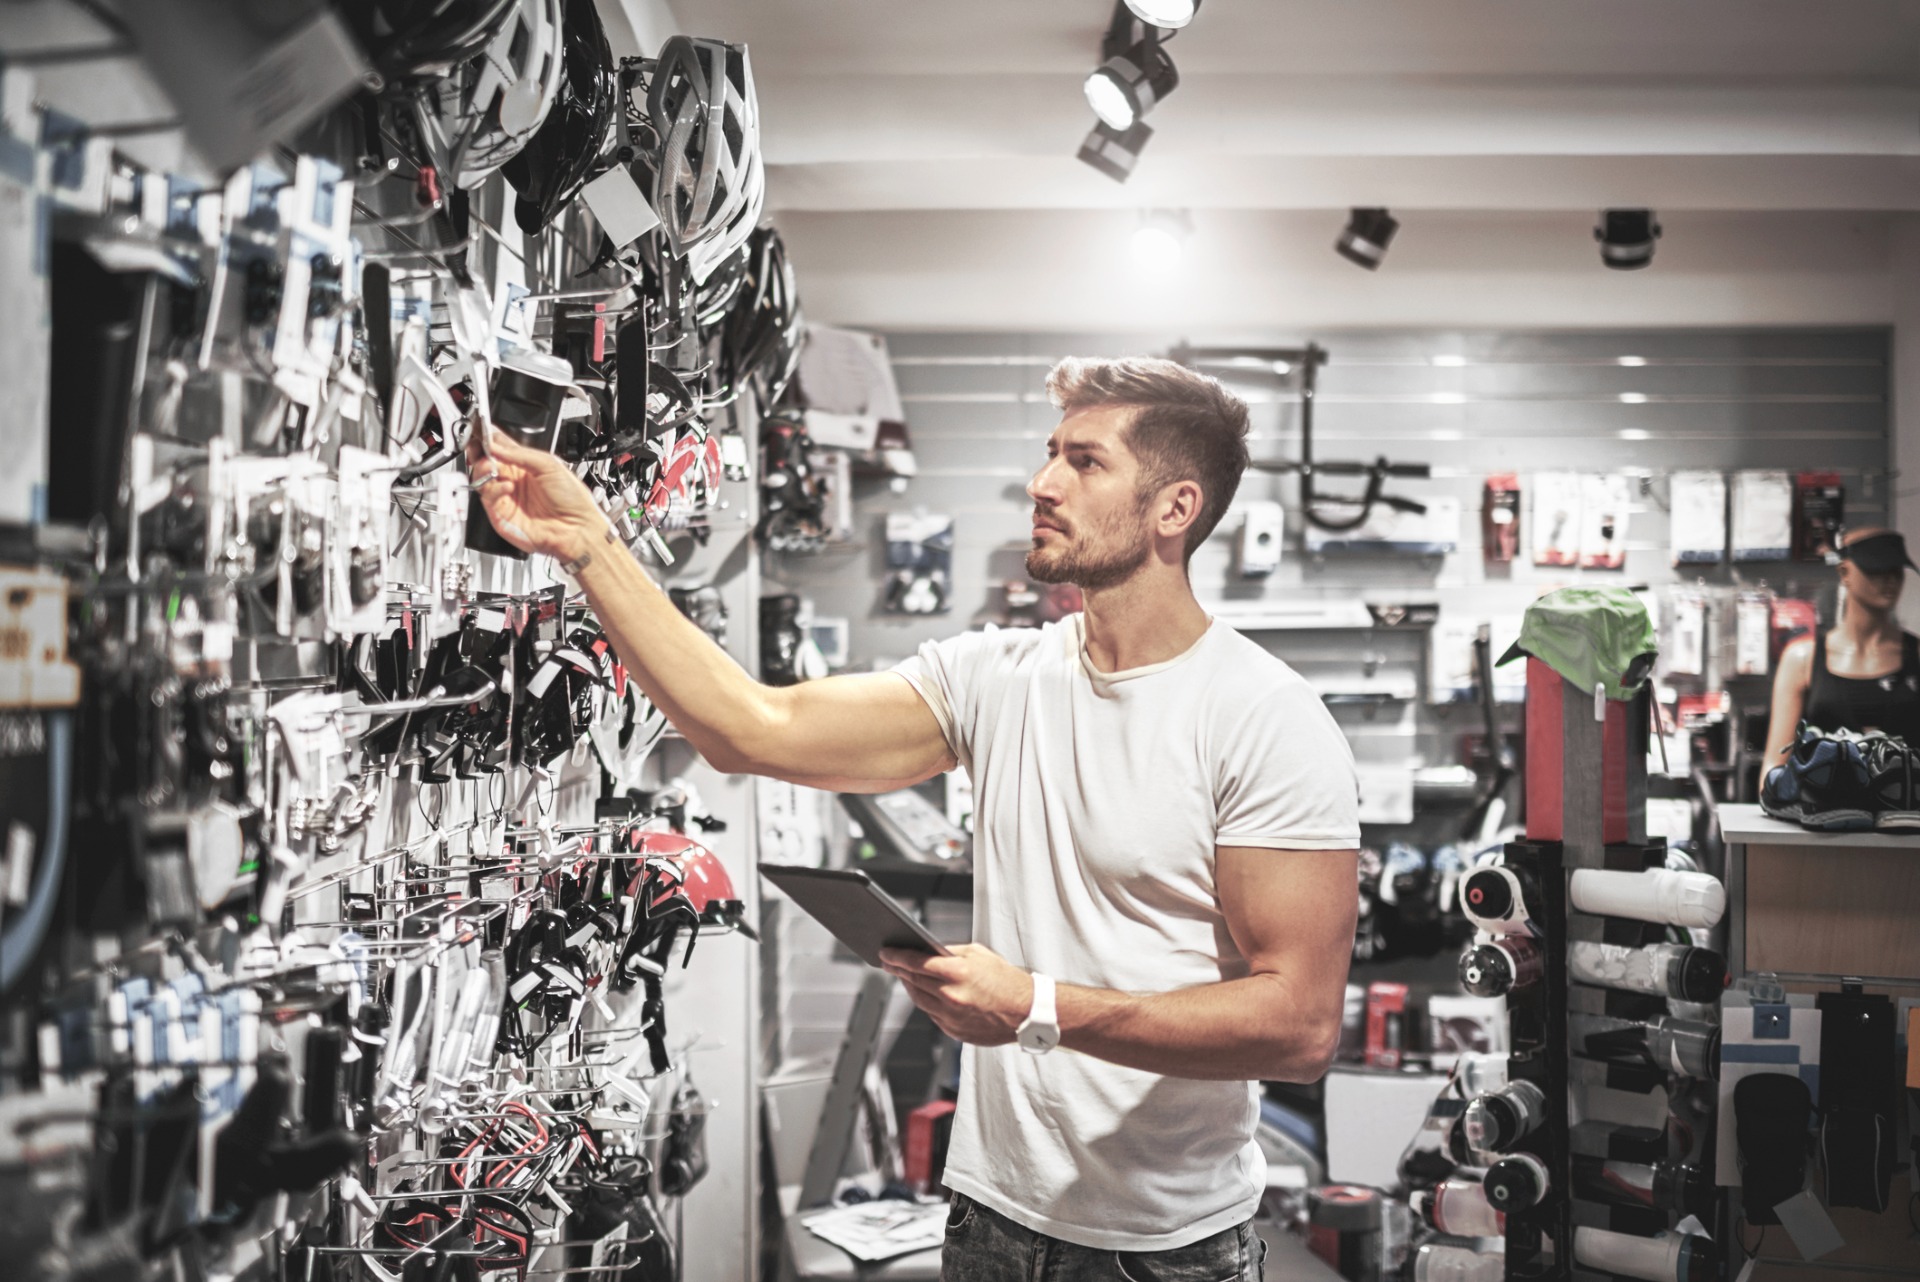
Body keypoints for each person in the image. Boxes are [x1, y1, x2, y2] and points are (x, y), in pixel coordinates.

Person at [469, 356, 1360, 1281]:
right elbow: (749, 728)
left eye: (1086, 462)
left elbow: (1299, 1027)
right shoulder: (997, 677)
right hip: (989, 1219)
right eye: (1051, 452)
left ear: (1175, 508)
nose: (1042, 482)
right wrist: (590, 545)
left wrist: (1035, 1008)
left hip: (1164, 1249)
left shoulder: (1262, 717)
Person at [1763, 527, 1920, 768]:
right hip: (1826, 792)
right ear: (1845, 572)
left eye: (1896, 570)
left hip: (1906, 791)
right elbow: (1775, 763)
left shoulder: (1915, 655)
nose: (1890, 579)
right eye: (1876, 569)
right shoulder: (1803, 659)